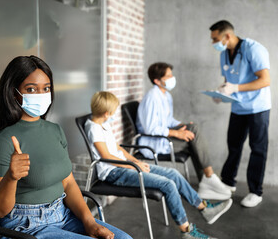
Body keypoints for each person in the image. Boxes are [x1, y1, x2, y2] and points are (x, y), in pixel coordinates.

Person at [0, 55, 132, 239]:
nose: (41, 95)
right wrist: (11, 178)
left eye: (46, 88)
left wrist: (90, 222)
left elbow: (68, 183)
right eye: (31, 89)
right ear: (15, 93)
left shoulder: (55, 131)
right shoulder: (3, 141)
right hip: (25, 226)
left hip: (63, 215)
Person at [85, 91, 232, 239]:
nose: (114, 114)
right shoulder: (93, 128)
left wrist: (136, 162)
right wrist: (133, 166)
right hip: (114, 172)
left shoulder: (104, 125)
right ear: (106, 113)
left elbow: (118, 149)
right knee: (168, 185)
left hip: (125, 166)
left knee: (173, 174)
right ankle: (187, 232)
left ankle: (203, 208)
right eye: (113, 112)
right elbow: (107, 157)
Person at [136, 62, 232, 200]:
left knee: (192, 130)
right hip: (152, 142)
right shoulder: (152, 97)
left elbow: (168, 120)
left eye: (171, 74)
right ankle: (208, 178)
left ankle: (207, 182)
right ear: (157, 80)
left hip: (162, 136)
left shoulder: (166, 96)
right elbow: (150, 128)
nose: (172, 77)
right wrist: (177, 133)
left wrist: (182, 125)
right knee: (193, 137)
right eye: (168, 75)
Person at [209, 20, 271, 207]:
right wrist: (221, 92)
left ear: (227, 36)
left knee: (257, 148)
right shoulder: (224, 54)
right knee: (233, 145)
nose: (213, 43)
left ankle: (255, 191)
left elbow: (265, 80)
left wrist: (236, 87)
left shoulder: (254, 49)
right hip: (238, 107)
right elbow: (228, 80)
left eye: (215, 39)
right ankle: (228, 183)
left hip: (257, 108)